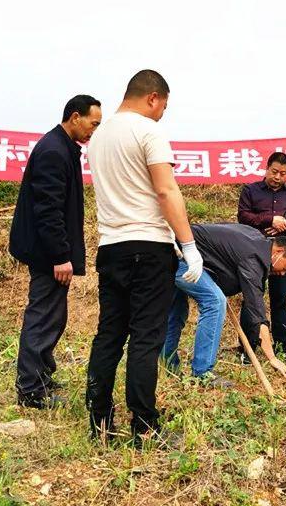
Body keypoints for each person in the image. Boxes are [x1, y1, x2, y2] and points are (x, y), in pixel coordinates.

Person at [85, 70, 204, 447]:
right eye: (163, 108)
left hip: (111, 246)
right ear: (153, 97)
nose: (161, 115)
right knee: (145, 339)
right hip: (149, 247)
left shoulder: (98, 136)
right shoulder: (148, 132)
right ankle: (144, 425)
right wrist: (188, 245)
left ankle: (99, 419)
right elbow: (167, 192)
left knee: (109, 334)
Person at [9, 94, 102, 409]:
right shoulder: (53, 150)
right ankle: (31, 390)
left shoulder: (63, 147)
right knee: (44, 316)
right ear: (75, 117)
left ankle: (41, 376)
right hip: (47, 254)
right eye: (93, 123)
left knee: (53, 315)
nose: (94, 131)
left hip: (48, 251)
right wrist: (60, 256)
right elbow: (48, 211)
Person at [160, 223, 286, 385]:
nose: (282, 274)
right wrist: (272, 358)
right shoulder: (254, 258)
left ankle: (167, 367)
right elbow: (256, 312)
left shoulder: (255, 239)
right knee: (215, 302)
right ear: (279, 252)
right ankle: (202, 372)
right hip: (179, 255)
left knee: (176, 311)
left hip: (174, 248)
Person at [237, 152, 286, 357]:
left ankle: (282, 347)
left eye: (283, 174)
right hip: (255, 253)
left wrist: (285, 224)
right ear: (266, 168)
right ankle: (247, 347)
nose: (278, 177)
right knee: (252, 298)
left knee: (280, 299)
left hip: (281, 255)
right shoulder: (250, 190)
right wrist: (270, 220)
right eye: (274, 172)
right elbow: (243, 216)